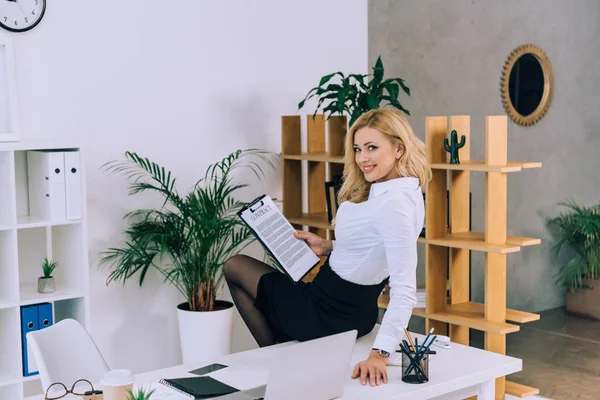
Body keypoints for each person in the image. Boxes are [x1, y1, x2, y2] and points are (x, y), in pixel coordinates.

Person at [223, 107, 431, 387]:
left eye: (372, 147)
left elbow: (405, 291)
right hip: (357, 313)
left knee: (234, 266)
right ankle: (284, 357)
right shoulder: (405, 191)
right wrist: (326, 245)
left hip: (323, 314)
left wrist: (379, 355)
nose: (362, 158)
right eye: (357, 149)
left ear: (398, 149)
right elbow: (374, 243)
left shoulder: (394, 206)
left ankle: (278, 358)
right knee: (266, 282)